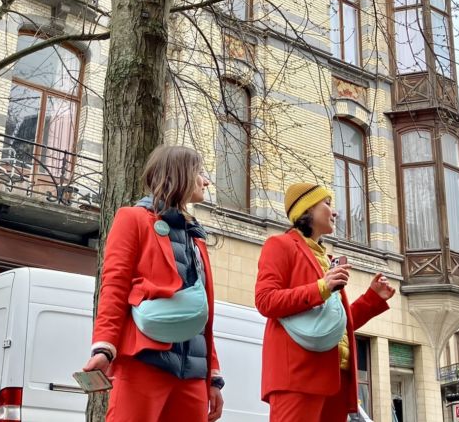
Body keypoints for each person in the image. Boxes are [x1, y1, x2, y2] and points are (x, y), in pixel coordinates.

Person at [82, 145, 224, 422]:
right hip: (144, 360)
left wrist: (213, 376)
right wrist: (104, 347)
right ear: (180, 175)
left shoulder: (196, 238)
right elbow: (114, 285)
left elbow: (202, 313)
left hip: (192, 375)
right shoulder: (133, 218)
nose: (205, 181)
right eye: (199, 172)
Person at [255, 182, 396, 422]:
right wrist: (322, 287)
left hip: (335, 378)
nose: (335, 212)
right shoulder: (280, 245)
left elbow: (333, 322)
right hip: (298, 377)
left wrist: (372, 299)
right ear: (307, 209)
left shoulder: (326, 259)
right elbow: (265, 300)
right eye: (328, 203)